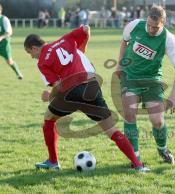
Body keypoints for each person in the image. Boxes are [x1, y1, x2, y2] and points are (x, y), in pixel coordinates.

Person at [24, 25, 149, 172]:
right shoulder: (66, 39)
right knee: (112, 130)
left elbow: (57, 86)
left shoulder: (42, 62)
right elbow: (85, 28)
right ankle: (138, 165)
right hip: (92, 87)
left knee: (49, 119)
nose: (32, 57)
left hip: (71, 92)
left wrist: (48, 96)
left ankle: (53, 161)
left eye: (29, 53)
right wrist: (82, 49)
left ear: (34, 48)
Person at [117, 5, 175, 165]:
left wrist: (174, 94)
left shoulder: (169, 39)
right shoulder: (133, 26)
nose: (151, 29)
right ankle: (135, 159)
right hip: (130, 77)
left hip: (152, 80)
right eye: (149, 25)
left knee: (157, 120)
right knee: (129, 114)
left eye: (155, 27)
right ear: (146, 19)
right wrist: (120, 65)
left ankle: (163, 149)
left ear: (164, 22)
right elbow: (124, 43)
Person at [0, 4, 23, 79]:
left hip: (4, 45)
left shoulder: (4, 19)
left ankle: (18, 73)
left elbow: (9, 32)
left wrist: (1, 37)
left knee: (9, 61)